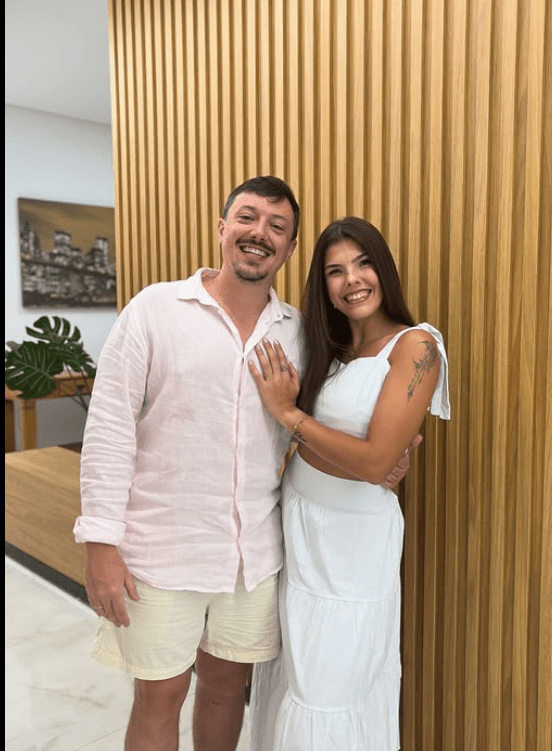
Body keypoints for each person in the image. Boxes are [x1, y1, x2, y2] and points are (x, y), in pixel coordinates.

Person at [73, 178, 414, 751]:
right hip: (161, 550)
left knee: (228, 688)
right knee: (160, 695)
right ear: (222, 228)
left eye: (277, 227)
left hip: (253, 556)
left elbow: (315, 431)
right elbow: (109, 430)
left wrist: (376, 463)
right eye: (248, 218)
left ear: (289, 248)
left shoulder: (300, 335)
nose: (260, 234)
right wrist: (100, 544)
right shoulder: (156, 310)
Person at [247, 216, 450, 751]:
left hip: (353, 546)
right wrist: (344, 453)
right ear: (324, 286)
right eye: (335, 271)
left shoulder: (415, 346)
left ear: (384, 269)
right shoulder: (327, 349)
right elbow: (346, 453)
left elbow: (375, 461)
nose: (352, 279)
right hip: (300, 528)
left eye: (363, 263)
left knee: (327, 689)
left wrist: (288, 414)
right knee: (295, 675)